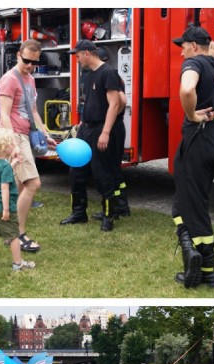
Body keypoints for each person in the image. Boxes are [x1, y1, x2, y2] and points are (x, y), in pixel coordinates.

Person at [171, 25, 214, 289]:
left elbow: (186, 90)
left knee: (191, 207)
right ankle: (204, 267)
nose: (181, 51)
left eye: (183, 45)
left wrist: (192, 114)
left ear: (194, 46)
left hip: (199, 136)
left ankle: (202, 265)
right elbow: (212, 56)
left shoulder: (194, 63)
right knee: (190, 202)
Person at [0, 39, 57, 253]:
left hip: (26, 136)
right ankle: (18, 234)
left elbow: (33, 111)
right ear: (18, 56)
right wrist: (12, 143)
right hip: (15, 138)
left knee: (21, 187)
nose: (31, 65)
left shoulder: (30, 80)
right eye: (27, 60)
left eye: (35, 63)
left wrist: (44, 134)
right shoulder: (9, 80)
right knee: (34, 183)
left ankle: (8, 232)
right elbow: (4, 114)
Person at [62, 40, 129, 231]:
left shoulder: (108, 72)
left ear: (87, 53)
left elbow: (116, 104)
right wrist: (83, 122)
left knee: (102, 174)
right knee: (76, 171)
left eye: (77, 55)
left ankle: (109, 216)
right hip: (87, 128)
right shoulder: (90, 74)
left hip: (102, 129)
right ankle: (78, 213)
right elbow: (91, 101)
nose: (76, 59)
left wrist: (106, 132)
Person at [0, 126, 35, 271]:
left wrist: (14, 163)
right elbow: (4, 188)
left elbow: (4, 170)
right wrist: (7, 209)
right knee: (14, 235)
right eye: (10, 143)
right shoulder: (5, 168)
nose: (13, 146)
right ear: (3, 147)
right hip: (3, 208)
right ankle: (18, 263)